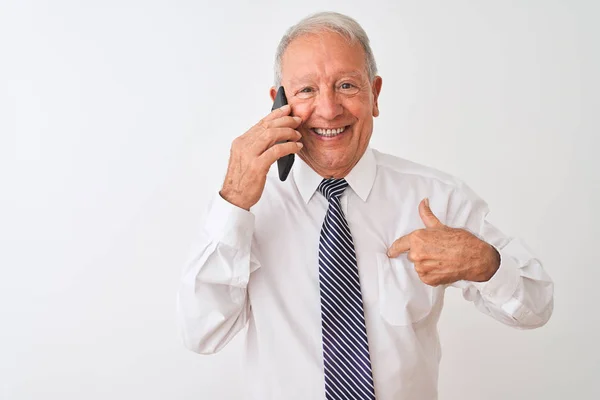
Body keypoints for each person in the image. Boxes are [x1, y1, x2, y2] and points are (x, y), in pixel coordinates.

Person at [176, 11, 554, 400]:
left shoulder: (437, 198)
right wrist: (234, 202)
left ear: (374, 94)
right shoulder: (246, 208)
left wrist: (485, 263)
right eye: (306, 90)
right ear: (278, 103)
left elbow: (536, 305)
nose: (328, 109)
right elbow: (201, 333)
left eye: (346, 85)